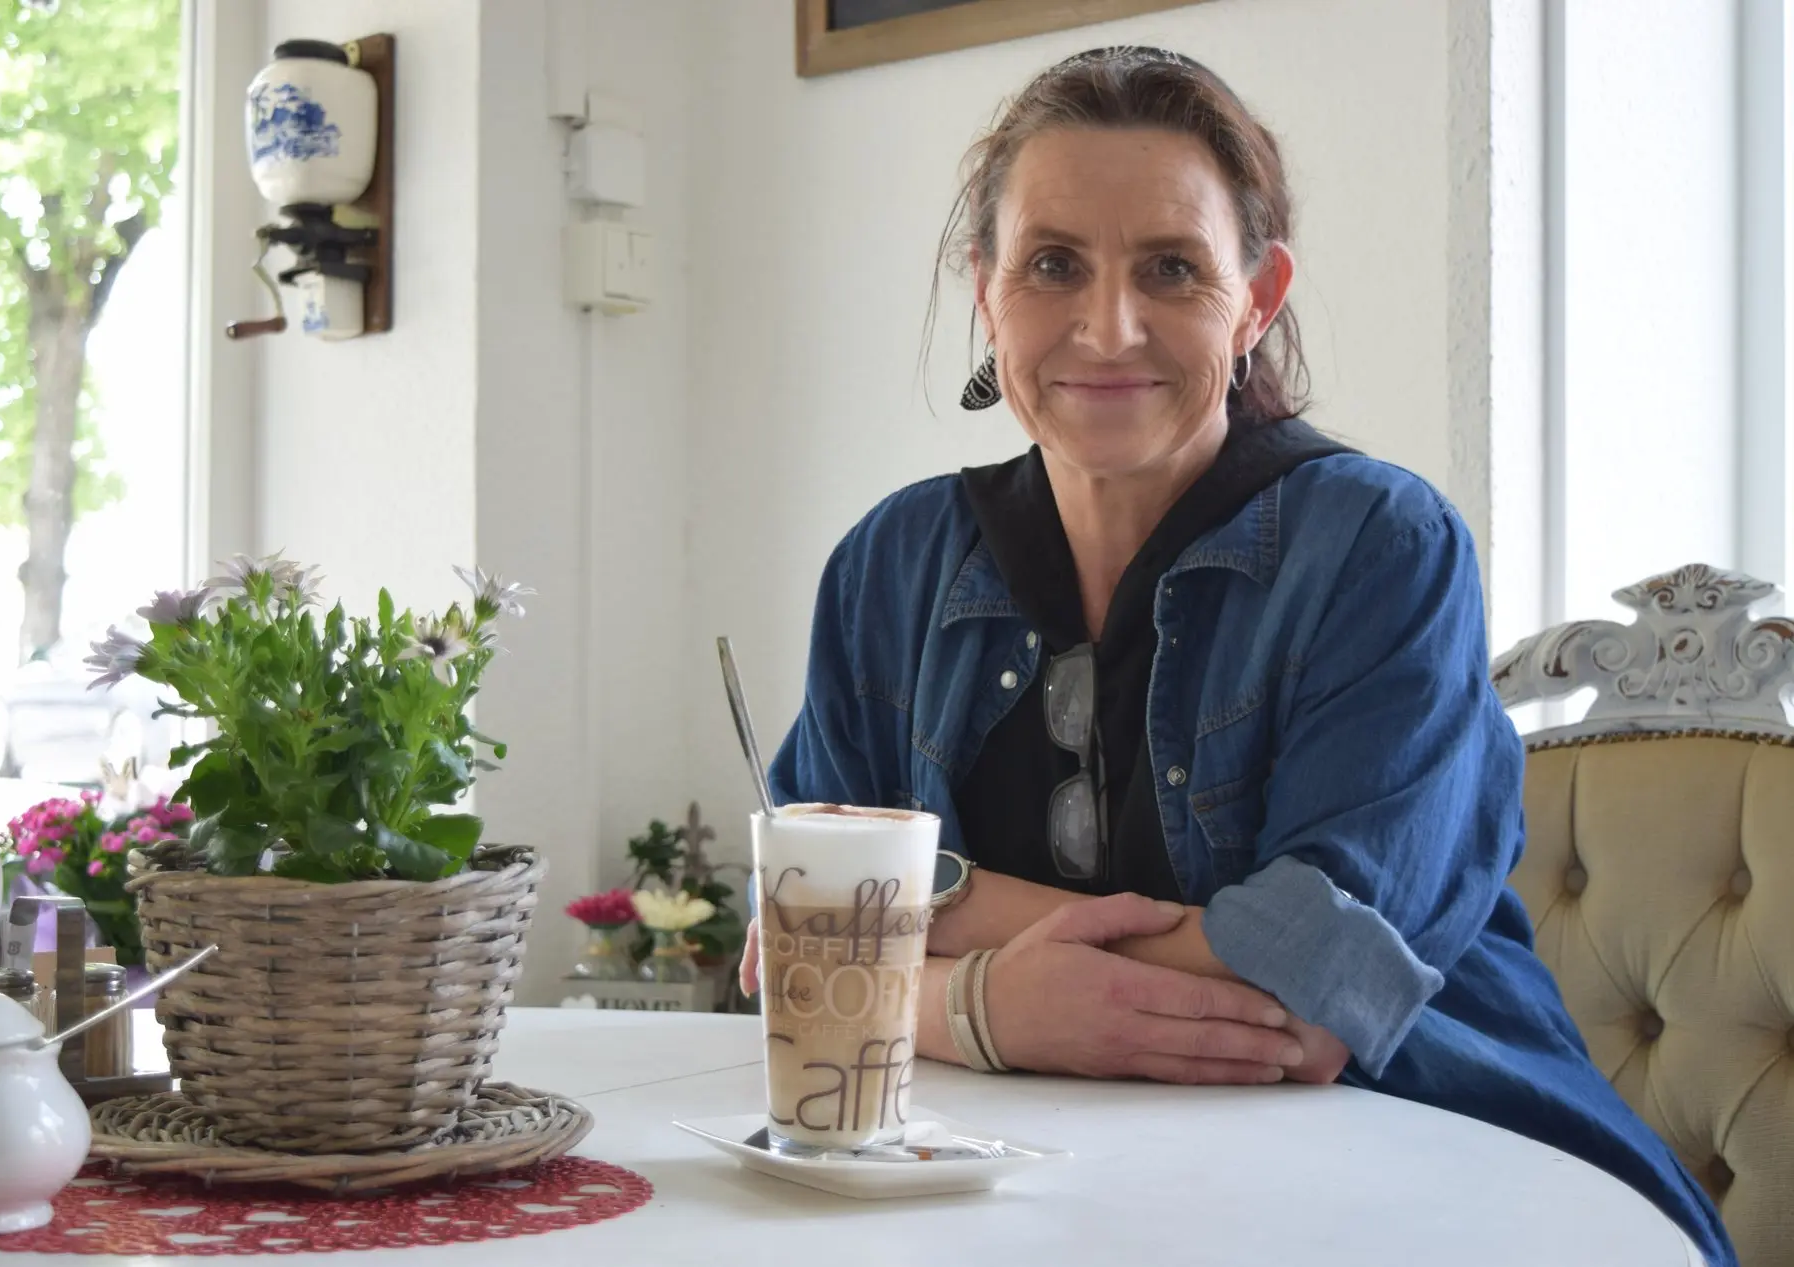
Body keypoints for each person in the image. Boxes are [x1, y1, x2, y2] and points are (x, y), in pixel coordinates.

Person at [737, 46, 1733, 1267]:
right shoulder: (887, 564)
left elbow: (1312, 995)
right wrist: (990, 1009)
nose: (1109, 325)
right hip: (1028, 1198)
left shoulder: (1381, 543)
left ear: (1257, 297)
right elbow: (791, 952)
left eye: (1170, 268)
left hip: (1444, 1157)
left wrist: (930, 944)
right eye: (1053, 264)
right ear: (987, 297)